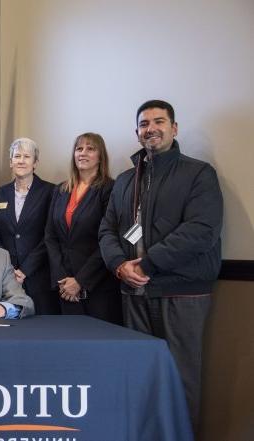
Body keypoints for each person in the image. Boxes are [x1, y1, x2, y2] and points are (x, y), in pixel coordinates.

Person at [99, 100, 223, 431]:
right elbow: (107, 230)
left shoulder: (199, 173)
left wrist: (149, 264)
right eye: (144, 123)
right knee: (138, 377)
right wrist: (119, 266)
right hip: (133, 293)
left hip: (181, 295)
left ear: (174, 128)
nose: (150, 128)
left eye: (159, 121)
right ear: (137, 132)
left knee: (180, 378)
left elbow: (201, 231)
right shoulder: (126, 181)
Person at [44, 133, 121, 324]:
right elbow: (50, 236)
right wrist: (63, 279)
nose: (83, 153)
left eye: (90, 148)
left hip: (97, 285)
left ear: (100, 156)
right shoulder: (61, 190)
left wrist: (80, 281)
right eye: (79, 149)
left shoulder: (110, 189)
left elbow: (108, 239)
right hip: (64, 286)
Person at [0, 138, 59, 314]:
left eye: (27, 156)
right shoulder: (1, 193)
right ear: (10, 162)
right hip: (7, 277)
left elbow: (50, 235)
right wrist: (10, 268)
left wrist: (25, 270)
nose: (21, 160)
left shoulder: (51, 192)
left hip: (39, 275)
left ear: (35, 163)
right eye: (16, 156)